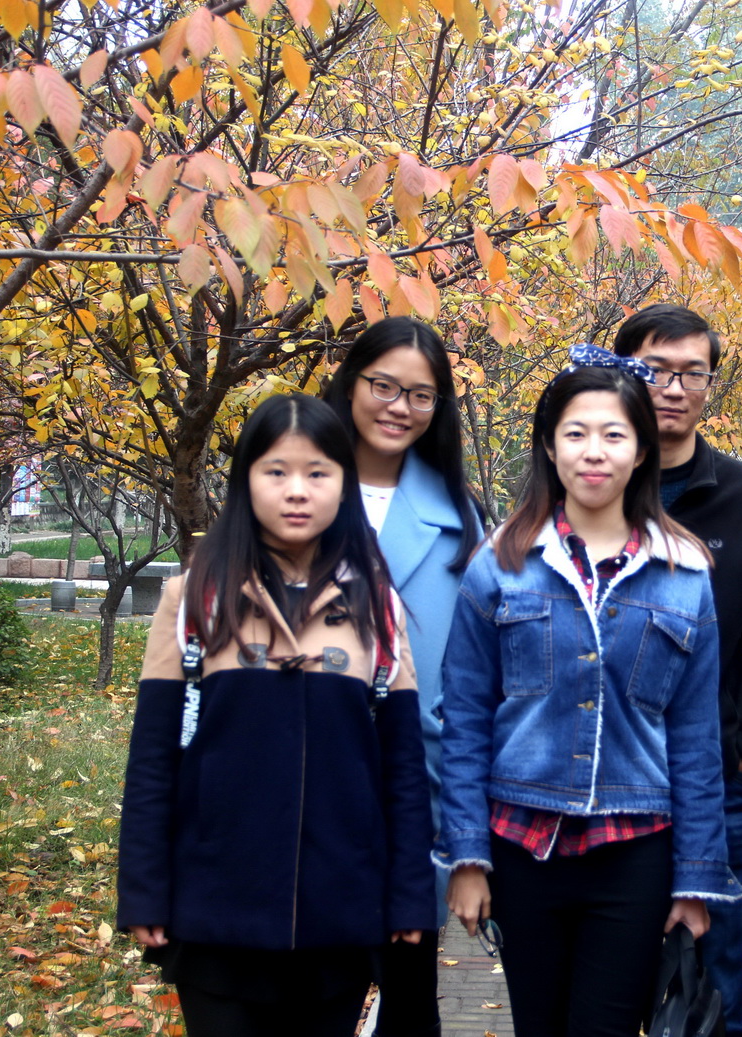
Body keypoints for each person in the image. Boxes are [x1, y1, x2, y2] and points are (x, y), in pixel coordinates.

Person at [436, 347, 742, 1037]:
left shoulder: (683, 573)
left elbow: (695, 737)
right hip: (522, 843)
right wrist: (467, 857)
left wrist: (695, 880)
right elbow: (465, 717)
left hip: (635, 848)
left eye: (613, 434)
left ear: (641, 450)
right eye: (575, 433)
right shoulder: (501, 563)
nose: (593, 451)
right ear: (550, 446)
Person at [116, 394, 436, 1037]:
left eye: (318, 472)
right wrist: (144, 890)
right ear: (245, 480)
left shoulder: (377, 606)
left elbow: (402, 768)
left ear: (344, 483)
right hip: (216, 909)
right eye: (276, 471)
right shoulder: (194, 599)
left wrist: (409, 894)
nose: (297, 491)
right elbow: (153, 759)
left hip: (339, 912)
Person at [612, 303, 742, 1037]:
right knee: (602, 988)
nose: (674, 388)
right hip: (599, 779)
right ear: (622, 373)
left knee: (712, 992)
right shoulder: (587, 482)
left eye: (693, 373)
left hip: (714, 777)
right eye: (655, 370)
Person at [324, 315, 484, 1037]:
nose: (399, 407)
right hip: (302, 787)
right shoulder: (297, 489)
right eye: (383, 386)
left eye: (420, 395)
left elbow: (472, 682)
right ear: (350, 383)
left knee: (409, 1003)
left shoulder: (458, 518)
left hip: (412, 795)